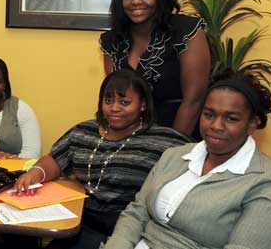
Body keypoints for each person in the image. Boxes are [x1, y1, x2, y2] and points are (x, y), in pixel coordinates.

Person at [104, 71, 271, 249]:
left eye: (231, 118)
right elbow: (137, 212)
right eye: (209, 115)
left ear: (252, 125)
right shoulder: (175, 155)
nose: (216, 125)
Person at [13, 69, 191, 249]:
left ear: (143, 105)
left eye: (124, 102)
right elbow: (55, 159)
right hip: (82, 223)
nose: (114, 108)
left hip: (130, 228)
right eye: (108, 100)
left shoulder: (165, 140)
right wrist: (36, 172)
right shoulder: (83, 131)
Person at [100, 0, 210, 138]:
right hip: (129, 138)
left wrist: (168, 149)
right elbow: (116, 100)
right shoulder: (112, 41)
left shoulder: (186, 30)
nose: (136, 1)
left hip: (180, 135)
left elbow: (194, 100)